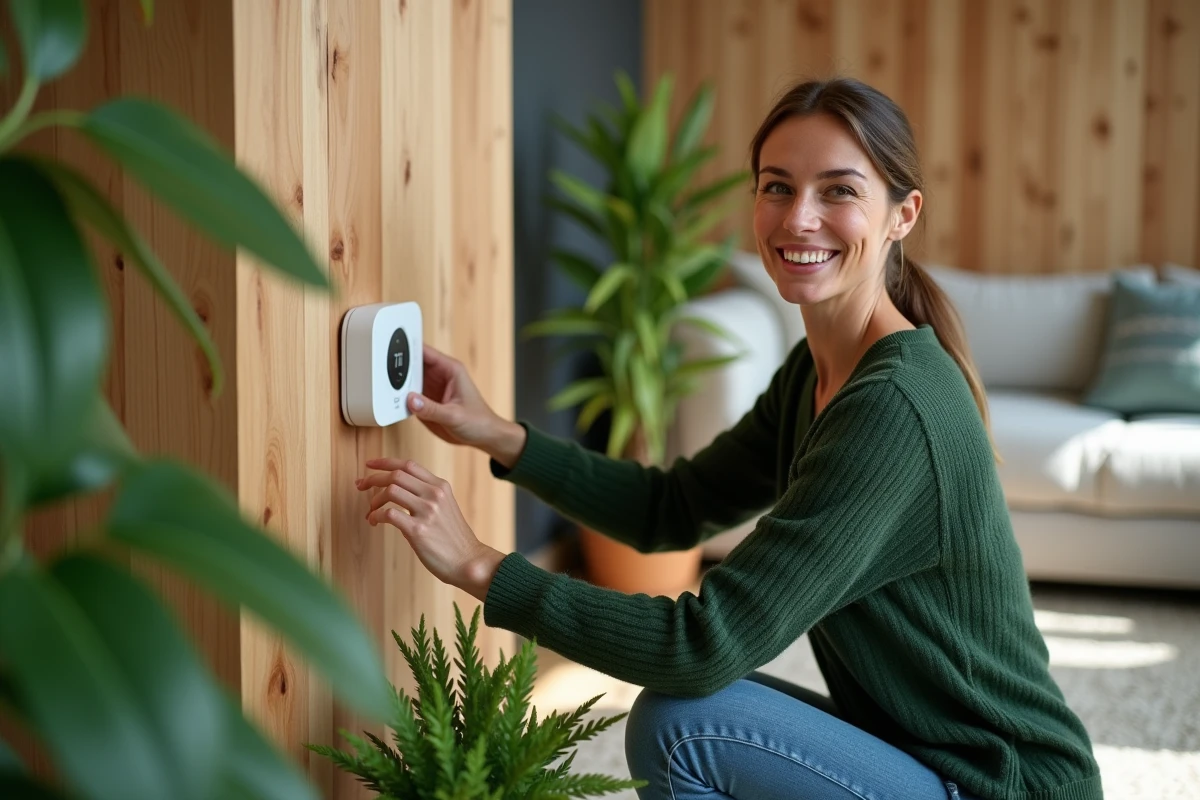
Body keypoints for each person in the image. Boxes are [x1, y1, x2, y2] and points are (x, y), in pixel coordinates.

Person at [355, 77, 1103, 800]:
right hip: (923, 755)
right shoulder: (818, 371)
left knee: (685, 723)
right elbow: (674, 506)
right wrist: (502, 435)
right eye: (777, 186)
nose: (798, 217)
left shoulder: (894, 407)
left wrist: (482, 567)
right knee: (691, 715)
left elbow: (705, 645)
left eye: (838, 190)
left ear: (903, 215)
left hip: (999, 785)